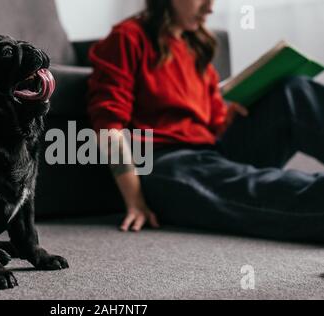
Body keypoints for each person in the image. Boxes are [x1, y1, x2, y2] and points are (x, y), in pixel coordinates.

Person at [87, 0, 324, 243]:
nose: (210, 8)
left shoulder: (196, 46)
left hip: (212, 150)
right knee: (260, 187)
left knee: (293, 92)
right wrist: (135, 201)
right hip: (166, 162)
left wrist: (231, 116)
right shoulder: (127, 37)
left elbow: (213, 124)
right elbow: (108, 128)